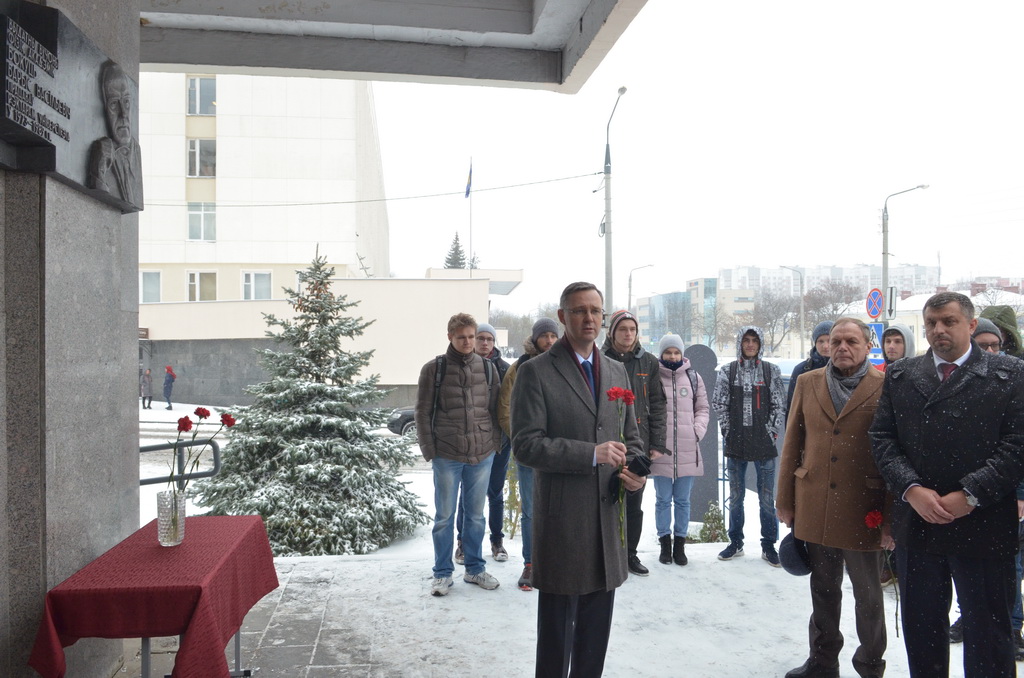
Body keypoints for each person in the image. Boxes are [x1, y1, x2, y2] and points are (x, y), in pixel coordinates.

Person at [870, 291, 1024, 678]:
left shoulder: (1010, 374)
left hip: (984, 523)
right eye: (931, 323)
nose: (939, 329)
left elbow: (1018, 445)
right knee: (922, 630)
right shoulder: (902, 376)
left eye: (949, 321)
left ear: (971, 325)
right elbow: (882, 439)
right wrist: (911, 489)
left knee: (989, 632)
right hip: (919, 523)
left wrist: (971, 493)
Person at [511, 282, 645, 678]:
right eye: (579, 310)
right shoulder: (535, 372)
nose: (589, 318)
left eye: (595, 311)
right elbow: (526, 446)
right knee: (557, 635)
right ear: (562, 316)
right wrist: (590, 453)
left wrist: (634, 471)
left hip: (607, 522)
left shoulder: (617, 370)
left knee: (595, 634)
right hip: (564, 522)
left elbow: (631, 437)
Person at [777, 318, 889, 678]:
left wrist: (891, 516)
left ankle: (870, 665)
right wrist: (785, 500)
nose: (842, 347)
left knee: (868, 596)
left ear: (868, 345)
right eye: (835, 341)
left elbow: (895, 452)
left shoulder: (885, 386)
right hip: (816, 503)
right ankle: (822, 662)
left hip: (863, 508)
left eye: (851, 341)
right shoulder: (808, 382)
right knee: (823, 588)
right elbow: (792, 441)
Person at [414, 313, 502, 597]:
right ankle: (442, 573)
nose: (467, 342)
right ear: (450, 337)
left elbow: (495, 409)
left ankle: (475, 569)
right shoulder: (434, 369)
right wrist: (429, 449)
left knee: (475, 516)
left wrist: (494, 443)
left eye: (471, 337)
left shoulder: (487, 368)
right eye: (461, 337)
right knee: (444, 517)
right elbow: (422, 412)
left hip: (482, 453)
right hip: (447, 453)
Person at [711, 325, 785, 565]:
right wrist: (728, 430)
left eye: (754, 340)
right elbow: (718, 403)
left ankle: (769, 545)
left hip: (764, 444)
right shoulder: (728, 371)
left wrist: (771, 432)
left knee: (766, 498)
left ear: (760, 344)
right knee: (735, 497)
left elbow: (779, 405)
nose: (750, 344)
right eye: (746, 340)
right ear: (740, 343)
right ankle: (735, 542)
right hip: (736, 443)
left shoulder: (770, 371)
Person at [601, 309, 667, 576]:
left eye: (632, 329)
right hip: (606, 441)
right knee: (605, 499)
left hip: (638, 442)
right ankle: (607, 553)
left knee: (633, 501)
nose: (628, 334)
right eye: (622, 329)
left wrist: (657, 442)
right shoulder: (600, 359)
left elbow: (658, 403)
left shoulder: (648, 362)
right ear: (612, 333)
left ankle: (630, 553)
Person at [497, 317, 560, 591]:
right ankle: (531, 563)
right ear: (535, 338)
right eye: (544, 336)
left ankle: (557, 562)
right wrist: (522, 440)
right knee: (532, 511)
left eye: (553, 336)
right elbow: (505, 408)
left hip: (559, 451)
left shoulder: (565, 364)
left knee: (561, 508)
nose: (549, 340)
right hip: (530, 452)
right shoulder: (521, 367)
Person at [454, 322, 512, 565]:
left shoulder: (505, 369)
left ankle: (497, 541)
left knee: (495, 493)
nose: (485, 342)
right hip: (472, 441)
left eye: (489, 339)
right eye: (481, 338)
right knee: (467, 493)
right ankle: (462, 543)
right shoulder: (461, 366)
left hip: (499, 441)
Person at [652, 334, 709, 567]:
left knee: (683, 501)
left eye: (676, 352)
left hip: (687, 448)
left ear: (682, 354)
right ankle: (665, 544)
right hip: (661, 450)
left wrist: (697, 431)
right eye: (668, 352)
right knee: (663, 500)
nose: (673, 356)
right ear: (661, 354)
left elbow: (703, 408)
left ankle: (680, 545)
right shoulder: (654, 377)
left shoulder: (693, 377)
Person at [87, 62, 143, 207]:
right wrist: (98, 172)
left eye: (126, 102)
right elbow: (98, 192)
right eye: (113, 104)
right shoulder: (101, 151)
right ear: (103, 108)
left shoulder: (136, 152)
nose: (123, 113)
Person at [787, 321, 834, 412]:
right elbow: (792, 406)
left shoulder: (846, 368)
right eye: (820, 341)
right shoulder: (802, 369)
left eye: (830, 341)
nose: (825, 346)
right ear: (815, 343)